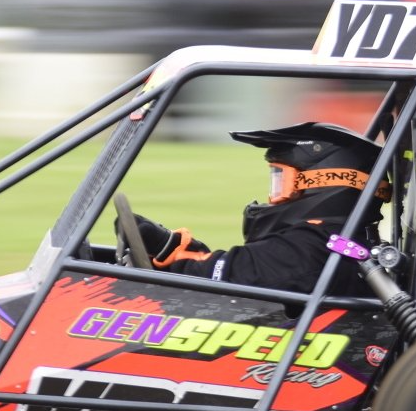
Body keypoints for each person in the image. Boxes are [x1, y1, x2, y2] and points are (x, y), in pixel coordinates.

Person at [125, 122, 387, 297]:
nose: (272, 197)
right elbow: (238, 269)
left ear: (321, 184)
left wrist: (170, 260)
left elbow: (228, 274)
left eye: (280, 181)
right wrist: (171, 248)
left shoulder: (308, 249)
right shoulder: (344, 244)